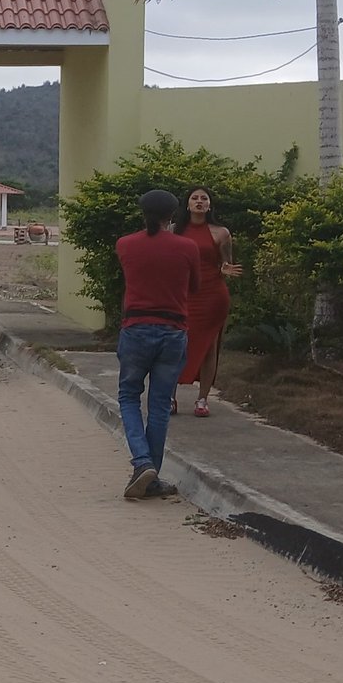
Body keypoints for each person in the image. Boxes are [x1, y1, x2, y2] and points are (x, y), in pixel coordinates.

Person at [114, 189, 200, 500]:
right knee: (160, 405)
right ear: (173, 216)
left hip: (136, 328)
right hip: (173, 331)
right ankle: (151, 477)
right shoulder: (187, 247)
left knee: (128, 396)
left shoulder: (125, 244)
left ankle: (142, 462)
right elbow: (195, 286)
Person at [176, 186, 242, 417]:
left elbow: (226, 263)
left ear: (210, 205)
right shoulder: (174, 231)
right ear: (187, 203)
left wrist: (225, 269)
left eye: (204, 198)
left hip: (212, 294)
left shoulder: (221, 233)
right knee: (176, 344)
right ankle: (169, 397)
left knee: (208, 347)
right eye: (194, 198)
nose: (199, 201)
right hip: (182, 295)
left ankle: (202, 399)